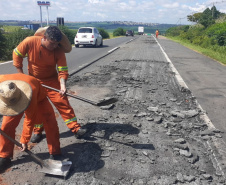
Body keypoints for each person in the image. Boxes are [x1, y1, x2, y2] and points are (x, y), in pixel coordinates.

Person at [13, 26, 86, 143]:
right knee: (36, 107)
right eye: (52, 43)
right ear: (44, 37)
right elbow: (17, 55)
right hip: (34, 81)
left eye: (57, 44)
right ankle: (38, 131)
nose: (54, 47)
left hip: (52, 81)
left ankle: (76, 128)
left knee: (62, 102)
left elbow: (62, 70)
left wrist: (63, 86)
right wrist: (21, 76)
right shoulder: (30, 41)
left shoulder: (58, 50)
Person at [0, 73, 62, 172]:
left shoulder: (31, 92)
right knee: (6, 126)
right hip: (10, 103)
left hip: (38, 99)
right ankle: (5, 156)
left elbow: (29, 119)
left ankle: (55, 152)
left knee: (50, 122)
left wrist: (24, 140)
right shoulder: (2, 82)